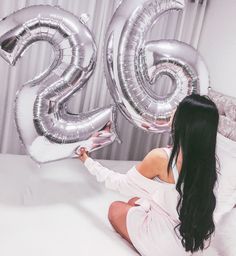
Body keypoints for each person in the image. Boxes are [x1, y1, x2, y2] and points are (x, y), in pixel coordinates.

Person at [78, 94, 219, 255]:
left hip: (166, 244)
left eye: (177, 109)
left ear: (185, 122)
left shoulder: (160, 157)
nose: (173, 111)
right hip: (191, 238)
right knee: (135, 201)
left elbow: (121, 184)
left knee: (115, 207)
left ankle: (145, 241)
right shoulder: (208, 162)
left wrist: (88, 162)